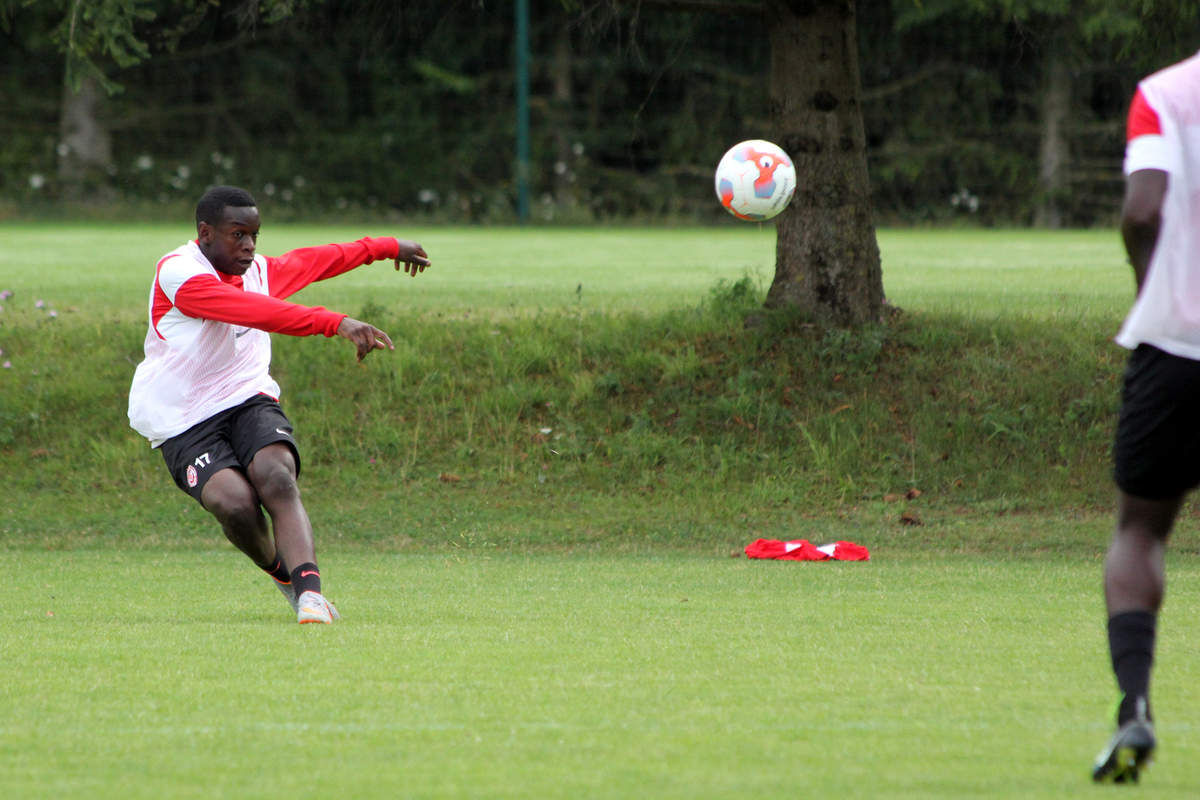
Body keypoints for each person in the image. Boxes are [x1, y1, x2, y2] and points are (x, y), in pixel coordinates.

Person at [127, 185, 431, 624]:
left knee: (276, 476)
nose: (249, 245)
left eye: (254, 235)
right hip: (183, 417)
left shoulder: (258, 270)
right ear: (205, 233)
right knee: (234, 505)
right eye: (238, 235)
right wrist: (335, 322)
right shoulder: (179, 274)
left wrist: (384, 247)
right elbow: (253, 311)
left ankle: (310, 594)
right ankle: (285, 579)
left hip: (246, 397)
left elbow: (317, 260)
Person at [1093, 51, 1200, 783]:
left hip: (1176, 346)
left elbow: (1144, 210)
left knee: (1140, 529)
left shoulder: (1164, 92)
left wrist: (1151, 293)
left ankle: (1135, 704)